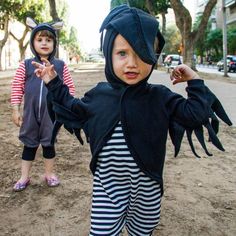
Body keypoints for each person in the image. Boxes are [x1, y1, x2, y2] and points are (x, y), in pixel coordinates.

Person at [32, 5, 231, 235]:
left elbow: (195, 114)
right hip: (108, 187)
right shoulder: (99, 95)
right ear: (109, 54)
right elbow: (71, 107)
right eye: (122, 53)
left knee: (142, 232)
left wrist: (194, 81)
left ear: (153, 56)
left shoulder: (160, 97)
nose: (131, 63)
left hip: (147, 189)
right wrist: (53, 83)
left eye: (140, 53)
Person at [11, 17, 75, 191]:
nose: (44, 43)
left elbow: (69, 89)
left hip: (51, 114)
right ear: (33, 42)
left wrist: (67, 109)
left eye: (49, 39)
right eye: (39, 39)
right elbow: (17, 88)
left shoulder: (61, 66)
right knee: (29, 144)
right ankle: (24, 177)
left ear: (54, 43)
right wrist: (15, 109)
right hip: (30, 114)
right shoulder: (25, 65)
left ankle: (49, 174)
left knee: (49, 144)